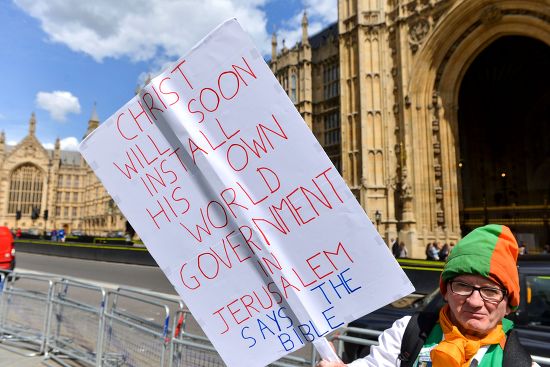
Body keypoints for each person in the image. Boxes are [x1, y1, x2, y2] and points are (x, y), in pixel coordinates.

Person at [317, 224, 539, 367]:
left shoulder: (518, 363)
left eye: (490, 291)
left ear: (509, 305)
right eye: (462, 286)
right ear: (446, 292)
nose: (474, 301)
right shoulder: (409, 333)